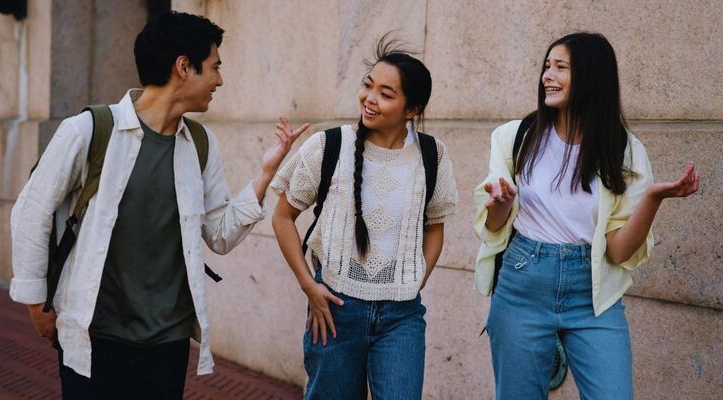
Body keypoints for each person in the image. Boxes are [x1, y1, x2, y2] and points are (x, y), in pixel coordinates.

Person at [9, 11, 307, 399]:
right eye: (214, 67)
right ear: (184, 67)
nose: (219, 80)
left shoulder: (198, 144)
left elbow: (219, 233)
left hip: (167, 342)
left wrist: (266, 173)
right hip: (96, 334)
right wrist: (36, 304)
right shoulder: (89, 130)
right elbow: (31, 212)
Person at [473, 32, 700, 399]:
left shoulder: (623, 150)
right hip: (523, 283)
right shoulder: (515, 137)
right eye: (547, 66)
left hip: (593, 294)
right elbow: (496, 225)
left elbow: (619, 252)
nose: (548, 75)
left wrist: (654, 199)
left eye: (560, 67)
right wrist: (500, 202)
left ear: (591, 77)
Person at [271, 36, 458, 399]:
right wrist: (308, 284)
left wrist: (417, 278)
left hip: (403, 316)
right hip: (335, 311)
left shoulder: (432, 155)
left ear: (411, 110)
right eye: (368, 85)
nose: (370, 99)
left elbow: (435, 227)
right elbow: (282, 217)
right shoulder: (328, 146)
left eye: (386, 94)